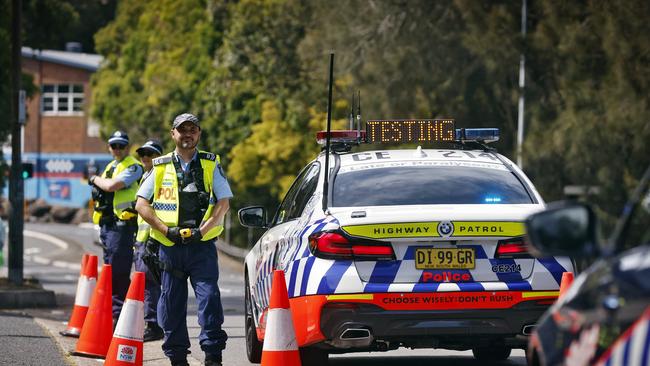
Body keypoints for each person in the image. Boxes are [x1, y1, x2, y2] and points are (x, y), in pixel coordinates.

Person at [135, 113, 231, 366]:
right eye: (182, 130)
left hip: (202, 247)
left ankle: (212, 355)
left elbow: (223, 202)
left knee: (209, 297)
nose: (187, 134)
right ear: (173, 134)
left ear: (198, 133)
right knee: (171, 303)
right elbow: (141, 204)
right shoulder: (160, 165)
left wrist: (205, 228)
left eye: (193, 130)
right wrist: (165, 230)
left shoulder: (211, 164)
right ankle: (177, 358)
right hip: (169, 247)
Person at [89, 131, 143, 321]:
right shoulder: (111, 166)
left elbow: (112, 186)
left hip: (123, 227)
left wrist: (94, 179)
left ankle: (118, 318)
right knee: (110, 271)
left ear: (127, 147)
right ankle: (113, 315)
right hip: (108, 226)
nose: (118, 149)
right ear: (109, 147)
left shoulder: (134, 166)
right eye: (114, 146)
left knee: (118, 273)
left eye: (121, 146)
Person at [133, 139, 164, 342]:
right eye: (143, 153)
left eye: (151, 154)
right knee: (148, 284)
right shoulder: (146, 176)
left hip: (152, 239)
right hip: (143, 239)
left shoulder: (157, 177)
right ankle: (154, 323)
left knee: (149, 284)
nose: (146, 157)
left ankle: (153, 325)